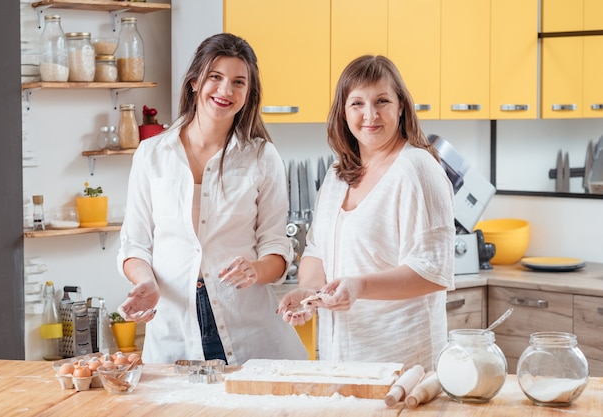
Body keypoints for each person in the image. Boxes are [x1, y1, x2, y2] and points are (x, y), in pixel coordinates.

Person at [116, 33, 308, 365]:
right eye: (215, 78)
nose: (225, 91)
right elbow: (134, 244)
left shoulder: (262, 157)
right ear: (194, 82)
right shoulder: (152, 155)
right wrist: (146, 281)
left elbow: (277, 250)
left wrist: (255, 269)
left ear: (248, 94)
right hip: (174, 329)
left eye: (238, 82)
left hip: (248, 329)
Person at [277, 55, 455, 370]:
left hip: (403, 362)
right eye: (357, 103)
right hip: (341, 358)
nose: (370, 114)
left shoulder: (417, 169)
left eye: (382, 101)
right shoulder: (336, 175)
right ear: (343, 112)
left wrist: (359, 287)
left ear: (401, 106)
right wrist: (310, 293)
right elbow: (317, 251)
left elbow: (432, 271)